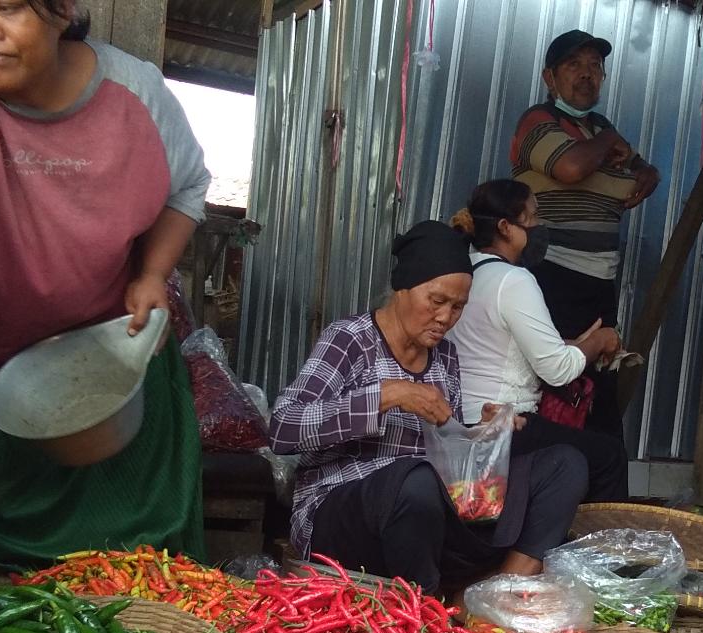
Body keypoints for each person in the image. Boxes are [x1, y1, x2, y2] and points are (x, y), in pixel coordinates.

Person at [0, 0, 210, 576]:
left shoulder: (135, 93)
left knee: (138, 572)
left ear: (62, 9)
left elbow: (186, 189)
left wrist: (150, 274)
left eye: (10, 6)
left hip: (111, 369)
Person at [269, 221, 589, 595]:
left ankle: (499, 596)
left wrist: (483, 434)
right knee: (415, 481)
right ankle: (429, 613)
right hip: (343, 515)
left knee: (564, 464)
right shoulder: (350, 340)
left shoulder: (445, 358)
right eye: (436, 301)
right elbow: (283, 429)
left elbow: (444, 451)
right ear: (402, 288)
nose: (445, 318)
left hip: (426, 516)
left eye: (458, 307)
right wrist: (388, 395)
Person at [510, 29, 661, 440]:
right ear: (549, 78)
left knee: (597, 386)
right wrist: (612, 145)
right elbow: (572, 169)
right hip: (553, 274)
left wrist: (647, 172)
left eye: (595, 66)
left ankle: (595, 488)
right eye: (574, 65)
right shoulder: (538, 122)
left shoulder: (600, 128)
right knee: (554, 386)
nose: (586, 74)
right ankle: (551, 474)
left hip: (599, 280)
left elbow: (640, 171)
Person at [447, 179, 629, 502]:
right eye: (531, 218)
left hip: (464, 420)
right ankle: (600, 551)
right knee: (609, 455)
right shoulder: (515, 280)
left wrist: (574, 345)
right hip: (505, 424)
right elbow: (557, 370)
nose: (539, 226)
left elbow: (504, 348)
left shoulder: (465, 272)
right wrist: (599, 341)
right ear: (505, 227)